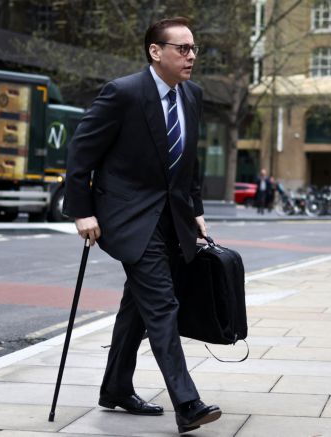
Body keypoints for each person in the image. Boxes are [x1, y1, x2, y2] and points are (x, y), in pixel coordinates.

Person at [63, 17, 221, 434]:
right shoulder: (123, 93)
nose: (191, 57)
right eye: (182, 49)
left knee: (138, 306)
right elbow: (82, 152)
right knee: (163, 305)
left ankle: (115, 387)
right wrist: (82, 211)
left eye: (194, 49)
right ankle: (187, 403)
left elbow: (190, 160)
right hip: (128, 217)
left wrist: (196, 210)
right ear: (156, 51)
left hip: (172, 218)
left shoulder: (193, 96)